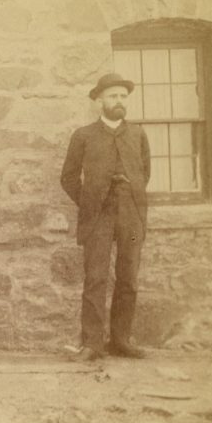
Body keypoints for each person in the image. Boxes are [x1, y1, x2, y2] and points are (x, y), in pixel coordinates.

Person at [60, 73, 151, 361]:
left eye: (123, 96)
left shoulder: (138, 134)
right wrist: (90, 202)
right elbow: (69, 177)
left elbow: (144, 173)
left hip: (132, 217)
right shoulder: (84, 135)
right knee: (96, 277)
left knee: (129, 277)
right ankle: (93, 344)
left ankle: (121, 340)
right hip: (98, 216)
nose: (119, 101)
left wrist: (130, 194)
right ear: (99, 100)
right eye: (113, 96)